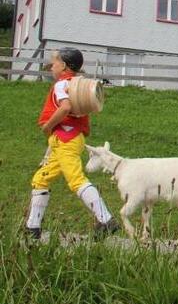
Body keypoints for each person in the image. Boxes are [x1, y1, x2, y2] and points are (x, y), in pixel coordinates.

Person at [24, 47, 119, 240]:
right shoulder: (77, 84)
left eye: (54, 63)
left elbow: (65, 107)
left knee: (76, 179)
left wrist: (48, 126)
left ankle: (106, 219)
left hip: (64, 140)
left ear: (64, 66)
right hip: (69, 139)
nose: (51, 66)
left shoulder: (62, 85)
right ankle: (32, 227)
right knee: (41, 179)